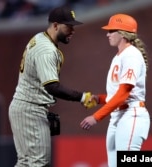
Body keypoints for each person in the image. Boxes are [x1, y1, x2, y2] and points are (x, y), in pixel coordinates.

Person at [9, 5, 95, 167]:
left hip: (25, 107)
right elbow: (52, 87)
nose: (72, 30)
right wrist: (82, 97)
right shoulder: (46, 50)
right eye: (68, 26)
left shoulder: (40, 37)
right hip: (30, 109)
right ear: (55, 25)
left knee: (26, 162)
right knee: (38, 162)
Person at [80, 14, 151, 167]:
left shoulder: (131, 55)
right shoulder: (119, 56)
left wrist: (96, 117)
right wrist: (99, 99)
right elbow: (116, 95)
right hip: (118, 116)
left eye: (112, 30)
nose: (108, 34)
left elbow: (124, 94)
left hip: (131, 115)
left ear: (123, 33)